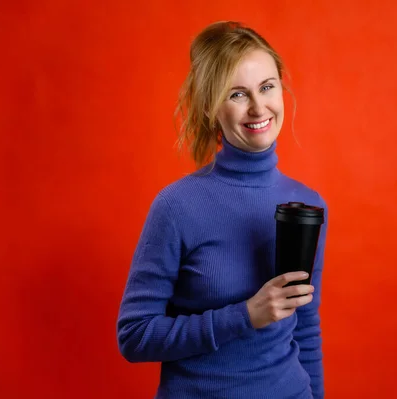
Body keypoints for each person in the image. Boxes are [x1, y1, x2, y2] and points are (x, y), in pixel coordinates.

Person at [116, 20, 329, 399]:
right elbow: (135, 336)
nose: (257, 107)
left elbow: (306, 325)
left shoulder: (308, 205)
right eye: (236, 94)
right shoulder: (177, 206)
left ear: (282, 88)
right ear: (211, 108)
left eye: (266, 87)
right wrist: (245, 315)